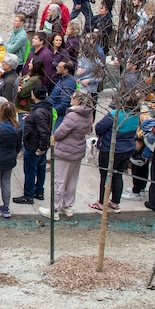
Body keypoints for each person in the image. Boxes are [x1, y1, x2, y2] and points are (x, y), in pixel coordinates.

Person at [39, 90, 94, 220]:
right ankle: (67, 206)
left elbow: (59, 134)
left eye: (73, 97)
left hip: (65, 152)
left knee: (59, 180)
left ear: (78, 100)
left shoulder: (73, 116)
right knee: (72, 180)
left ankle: (54, 209)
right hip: (78, 151)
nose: (71, 98)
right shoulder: (88, 114)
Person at [90, 95, 140, 213]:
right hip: (127, 149)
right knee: (118, 175)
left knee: (105, 176)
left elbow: (99, 127)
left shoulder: (115, 114)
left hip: (111, 150)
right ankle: (115, 202)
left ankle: (102, 203)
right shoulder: (135, 115)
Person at [17, 86, 53, 204]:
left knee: (30, 170)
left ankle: (28, 195)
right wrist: (31, 117)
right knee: (40, 168)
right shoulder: (43, 108)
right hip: (37, 145)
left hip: (34, 146)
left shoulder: (39, 112)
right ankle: (39, 191)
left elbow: (44, 131)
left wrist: (41, 148)